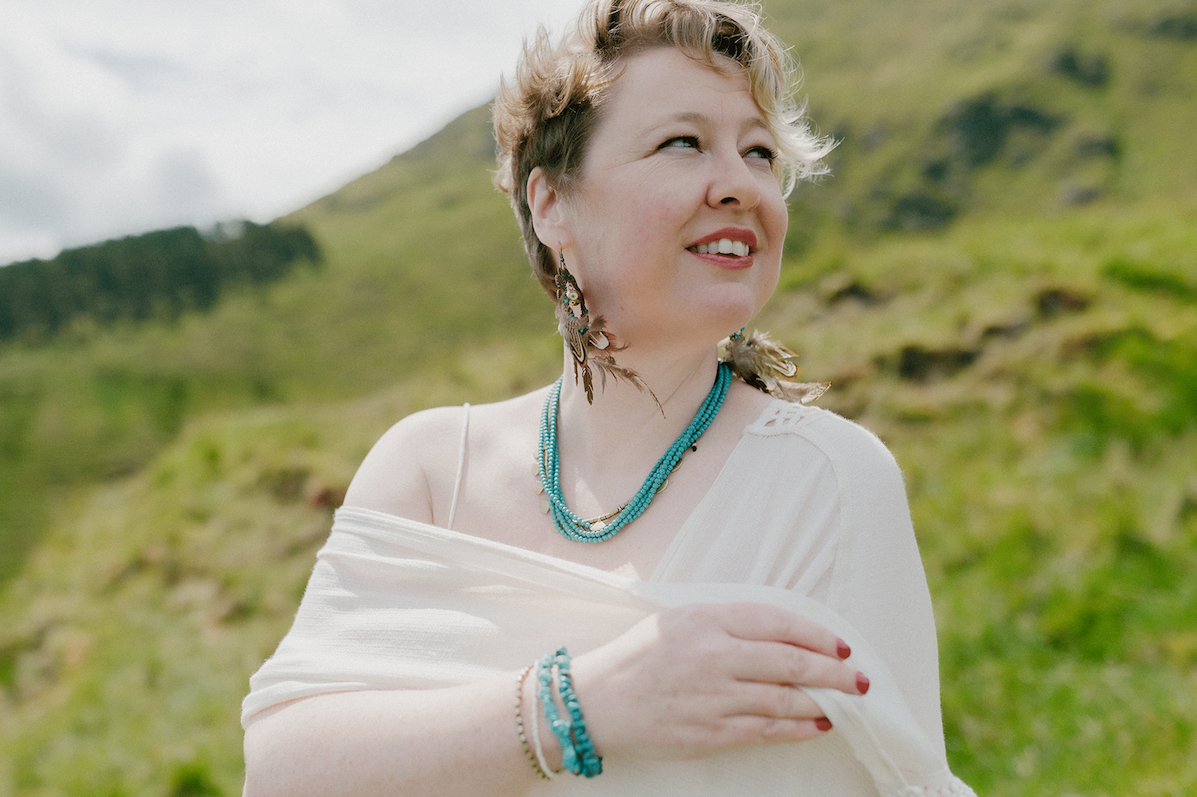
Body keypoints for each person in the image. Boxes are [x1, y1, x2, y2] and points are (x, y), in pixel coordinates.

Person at [241, 1, 976, 795]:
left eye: (759, 152)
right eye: (682, 142)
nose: (738, 183)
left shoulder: (826, 480)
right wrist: (581, 706)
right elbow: (283, 770)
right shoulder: (430, 468)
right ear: (552, 202)